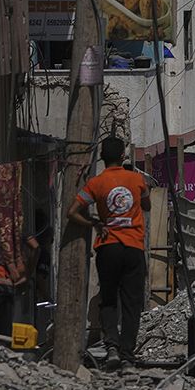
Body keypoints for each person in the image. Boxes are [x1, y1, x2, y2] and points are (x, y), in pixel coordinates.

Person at [68, 136, 150, 363]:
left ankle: (112, 346)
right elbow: (147, 204)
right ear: (123, 156)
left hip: (108, 246)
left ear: (102, 158)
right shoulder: (137, 180)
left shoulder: (95, 183)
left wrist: (95, 223)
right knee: (132, 303)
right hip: (133, 246)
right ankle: (127, 354)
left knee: (109, 298)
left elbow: (72, 212)